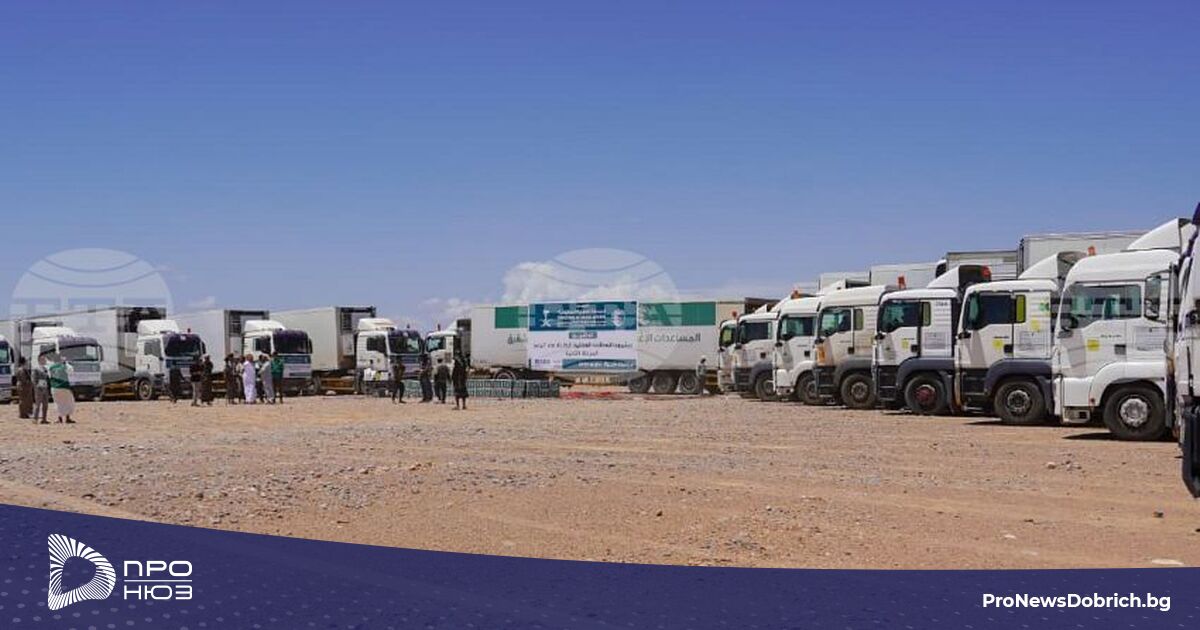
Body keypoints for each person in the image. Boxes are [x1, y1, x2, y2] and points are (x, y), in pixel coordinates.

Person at [47, 354, 75, 423]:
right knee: (68, 402)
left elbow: (49, 376)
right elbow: (71, 371)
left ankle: (59, 418)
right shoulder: (64, 366)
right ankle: (67, 418)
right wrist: (65, 362)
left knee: (57, 403)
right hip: (64, 386)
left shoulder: (51, 367)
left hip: (54, 387)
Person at [32, 355, 50, 424]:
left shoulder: (45, 369)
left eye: (45, 359)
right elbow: (34, 379)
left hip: (45, 388)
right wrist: (37, 387)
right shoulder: (36, 369)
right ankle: (35, 419)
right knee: (38, 404)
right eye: (43, 359)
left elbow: (47, 379)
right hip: (39, 389)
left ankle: (44, 419)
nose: (44, 361)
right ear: (39, 360)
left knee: (45, 405)